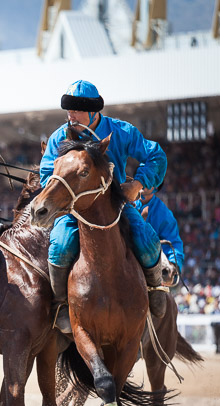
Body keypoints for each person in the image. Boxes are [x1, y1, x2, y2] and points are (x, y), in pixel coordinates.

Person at [40, 80, 168, 333]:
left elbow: (156, 155)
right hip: (73, 210)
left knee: (146, 239)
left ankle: (155, 289)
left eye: (76, 110)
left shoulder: (122, 131)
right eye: (69, 109)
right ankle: (60, 304)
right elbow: (46, 174)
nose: (71, 115)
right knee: (60, 245)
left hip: (118, 206)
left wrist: (138, 184)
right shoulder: (58, 137)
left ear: (93, 112)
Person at [134, 185, 184, 282]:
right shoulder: (125, 204)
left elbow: (174, 243)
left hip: (151, 269)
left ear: (156, 187)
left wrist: (174, 264)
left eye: (148, 183)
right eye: (140, 180)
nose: (143, 185)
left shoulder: (165, 214)